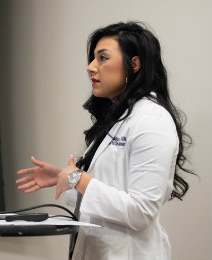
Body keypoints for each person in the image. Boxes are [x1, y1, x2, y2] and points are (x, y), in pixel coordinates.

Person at [16, 21, 195, 260]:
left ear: (134, 64)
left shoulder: (153, 120)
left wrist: (77, 179)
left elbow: (142, 212)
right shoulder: (119, 116)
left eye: (102, 58)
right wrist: (65, 177)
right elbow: (111, 187)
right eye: (92, 59)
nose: (90, 67)